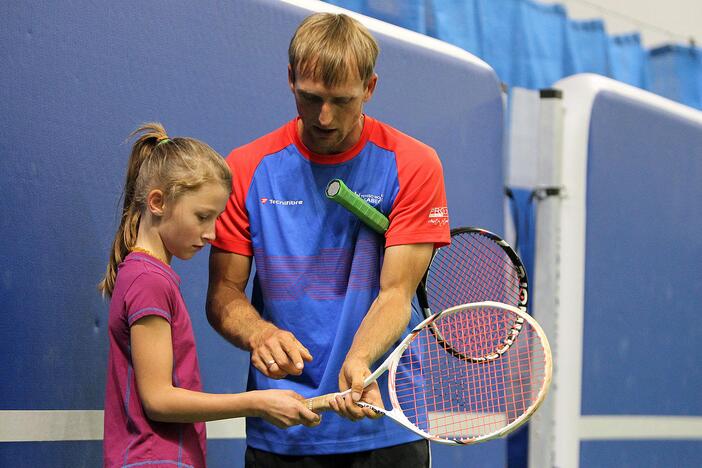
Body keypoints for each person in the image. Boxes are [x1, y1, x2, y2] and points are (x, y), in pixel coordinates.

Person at [207, 12, 450, 467]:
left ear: (370, 88)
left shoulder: (414, 165)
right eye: (310, 97)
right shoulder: (246, 167)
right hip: (282, 426)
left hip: (381, 417)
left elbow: (396, 293)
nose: (324, 117)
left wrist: (359, 359)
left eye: (343, 100)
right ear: (290, 80)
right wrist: (258, 331)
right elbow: (222, 293)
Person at [99, 123, 320, 468]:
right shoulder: (147, 281)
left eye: (217, 218)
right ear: (157, 202)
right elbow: (158, 399)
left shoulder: (149, 276)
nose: (213, 233)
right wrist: (257, 403)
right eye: (203, 216)